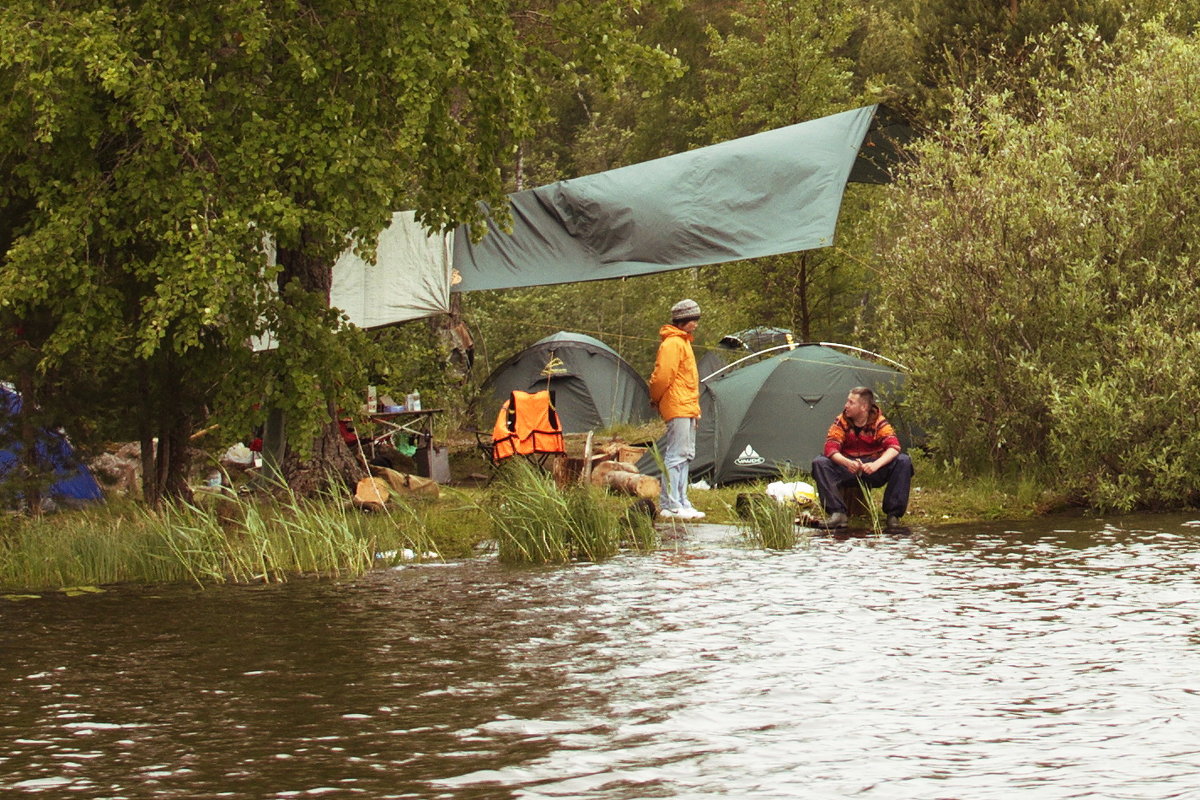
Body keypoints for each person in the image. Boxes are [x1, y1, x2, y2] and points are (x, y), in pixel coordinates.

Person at [810, 386, 913, 529]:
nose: (846, 406)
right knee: (820, 462)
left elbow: (894, 447)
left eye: (851, 402)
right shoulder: (841, 421)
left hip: (873, 468)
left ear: (863, 407)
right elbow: (830, 448)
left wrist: (876, 464)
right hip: (848, 467)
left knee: (903, 461)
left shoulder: (879, 421)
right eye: (847, 401)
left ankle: (893, 515)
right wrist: (847, 462)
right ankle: (838, 514)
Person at [648, 299, 705, 520]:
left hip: (687, 406)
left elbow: (689, 381)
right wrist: (656, 398)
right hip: (677, 405)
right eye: (694, 320)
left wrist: (695, 410)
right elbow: (662, 376)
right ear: (683, 320)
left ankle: (682, 501)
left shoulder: (684, 342)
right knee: (675, 455)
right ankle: (669, 504)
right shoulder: (672, 343)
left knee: (686, 454)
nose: (696, 324)